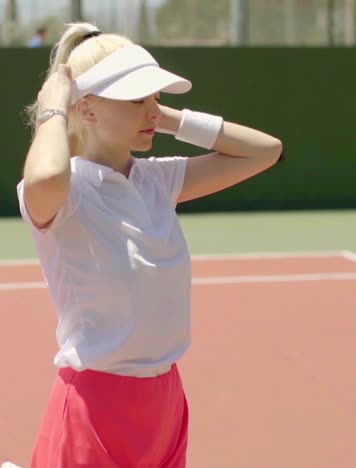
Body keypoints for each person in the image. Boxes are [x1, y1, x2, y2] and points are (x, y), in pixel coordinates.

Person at [17, 22, 282, 468]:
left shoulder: (157, 180)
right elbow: (44, 175)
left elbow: (265, 151)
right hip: (95, 405)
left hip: (165, 400)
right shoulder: (64, 191)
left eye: (155, 96)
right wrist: (52, 108)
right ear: (86, 108)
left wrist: (166, 118)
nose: (152, 109)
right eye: (136, 98)